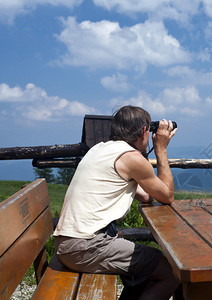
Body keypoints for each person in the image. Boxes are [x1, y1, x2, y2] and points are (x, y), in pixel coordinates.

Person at [53, 105, 179, 300]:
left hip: (69, 245)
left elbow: (147, 196)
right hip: (85, 247)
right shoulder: (131, 158)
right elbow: (167, 196)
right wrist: (160, 149)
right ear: (145, 131)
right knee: (171, 272)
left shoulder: (100, 149)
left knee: (151, 262)